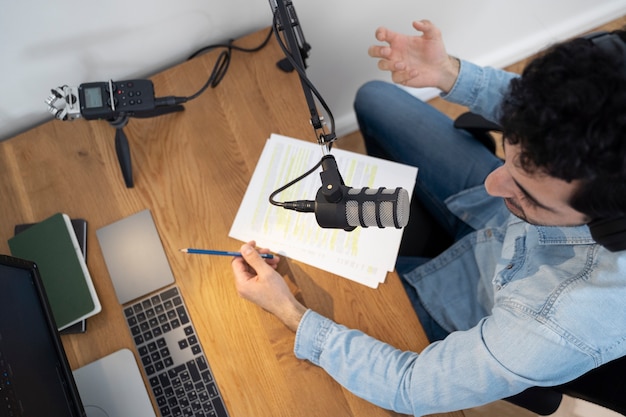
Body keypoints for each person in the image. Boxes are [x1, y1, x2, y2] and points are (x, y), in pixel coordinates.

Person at [231, 20, 626, 416]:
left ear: (610, 224)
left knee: (322, 280)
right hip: (498, 226)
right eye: (509, 155)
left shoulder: (563, 319)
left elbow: (410, 387)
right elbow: (544, 111)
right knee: (376, 98)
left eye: (528, 190)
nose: (493, 182)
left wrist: (291, 313)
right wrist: (449, 72)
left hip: (485, 302)